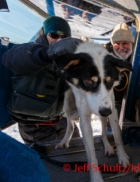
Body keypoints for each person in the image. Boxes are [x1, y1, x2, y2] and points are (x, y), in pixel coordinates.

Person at [2, 16, 81, 145]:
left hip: (63, 122)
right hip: (36, 129)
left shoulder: (68, 62)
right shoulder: (31, 51)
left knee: (78, 155)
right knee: (53, 163)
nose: (59, 40)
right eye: (54, 35)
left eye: (65, 37)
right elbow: (9, 58)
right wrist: (45, 53)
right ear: (44, 35)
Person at [103, 23, 134, 116]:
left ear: (132, 43)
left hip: (133, 101)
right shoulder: (104, 58)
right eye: (117, 43)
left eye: (125, 43)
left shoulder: (139, 57)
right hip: (111, 103)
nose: (121, 47)